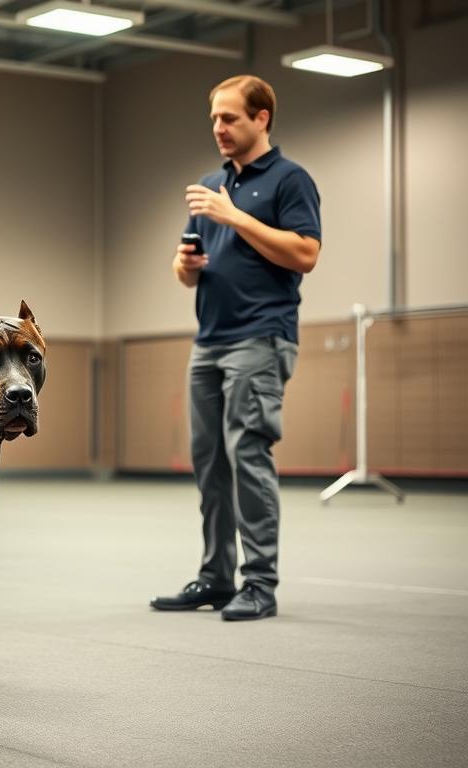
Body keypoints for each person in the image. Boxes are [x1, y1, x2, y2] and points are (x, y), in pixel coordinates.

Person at [150, 74, 321, 621]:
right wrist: (185, 266)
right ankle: (216, 578)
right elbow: (187, 271)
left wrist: (235, 217)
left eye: (230, 118)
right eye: (214, 119)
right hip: (210, 340)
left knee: (248, 456)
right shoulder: (210, 184)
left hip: (260, 337)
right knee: (210, 464)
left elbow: (305, 253)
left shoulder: (290, 181)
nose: (219, 128)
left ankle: (260, 584)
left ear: (261, 118)